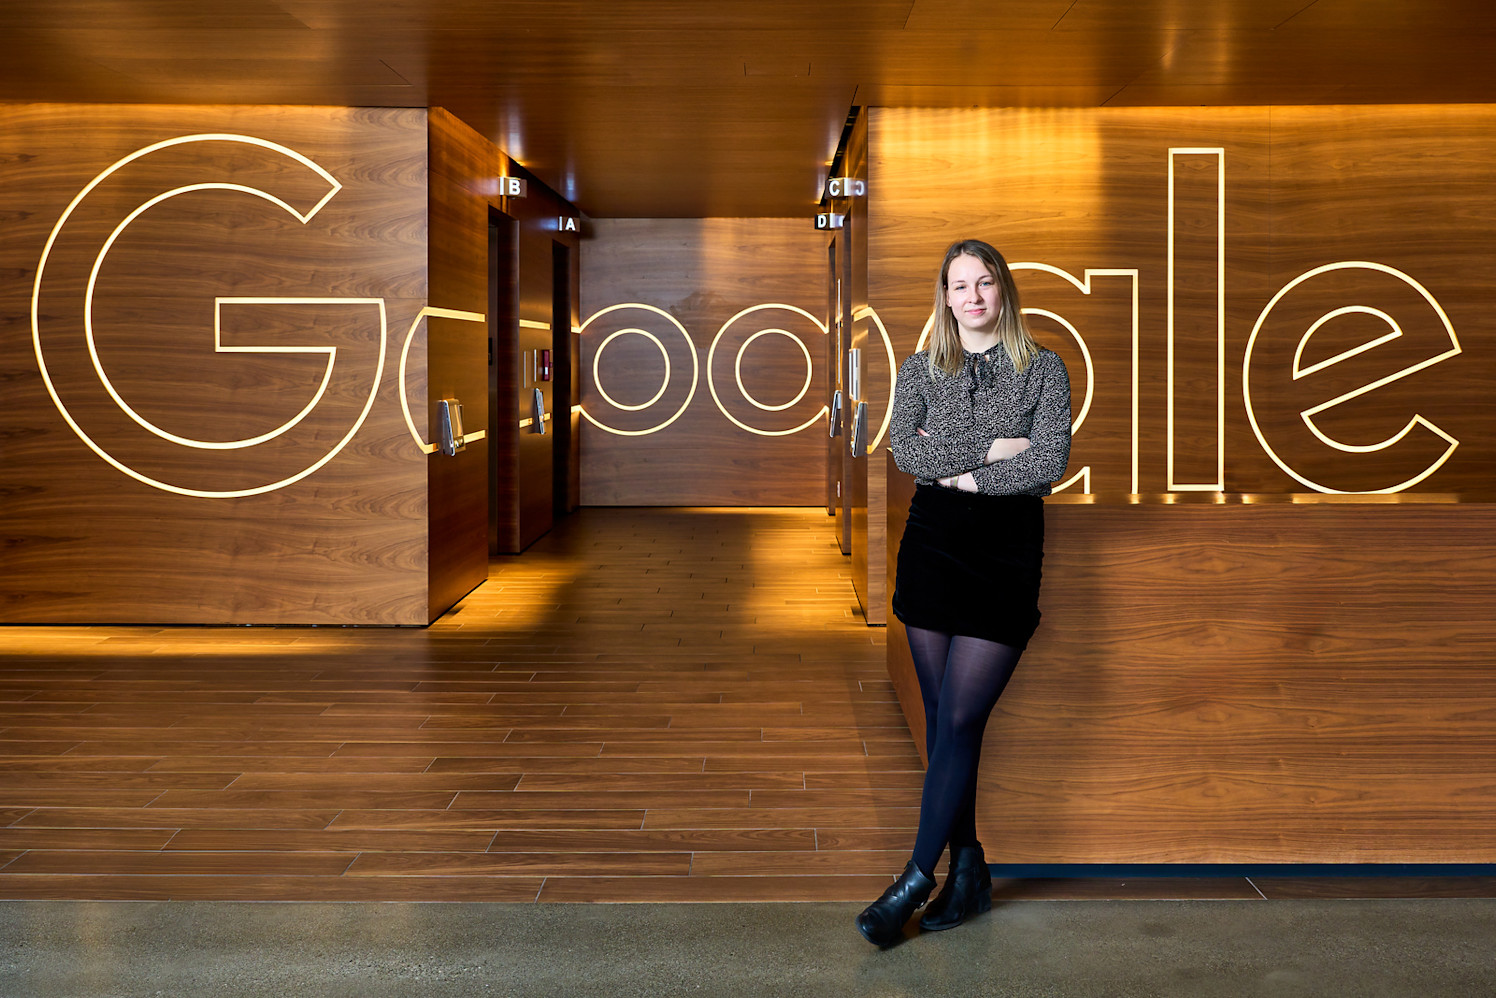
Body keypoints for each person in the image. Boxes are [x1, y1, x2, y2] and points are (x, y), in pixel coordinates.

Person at [856, 239, 1071, 948]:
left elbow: (1049, 460)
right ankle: (970, 866)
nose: (973, 296)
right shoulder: (921, 368)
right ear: (944, 297)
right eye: (959, 285)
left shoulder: (1045, 368)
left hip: (1006, 555)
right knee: (949, 720)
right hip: (933, 548)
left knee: (958, 721)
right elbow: (907, 454)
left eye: (984, 283)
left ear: (1003, 290)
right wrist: (996, 449)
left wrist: (969, 471)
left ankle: (917, 878)